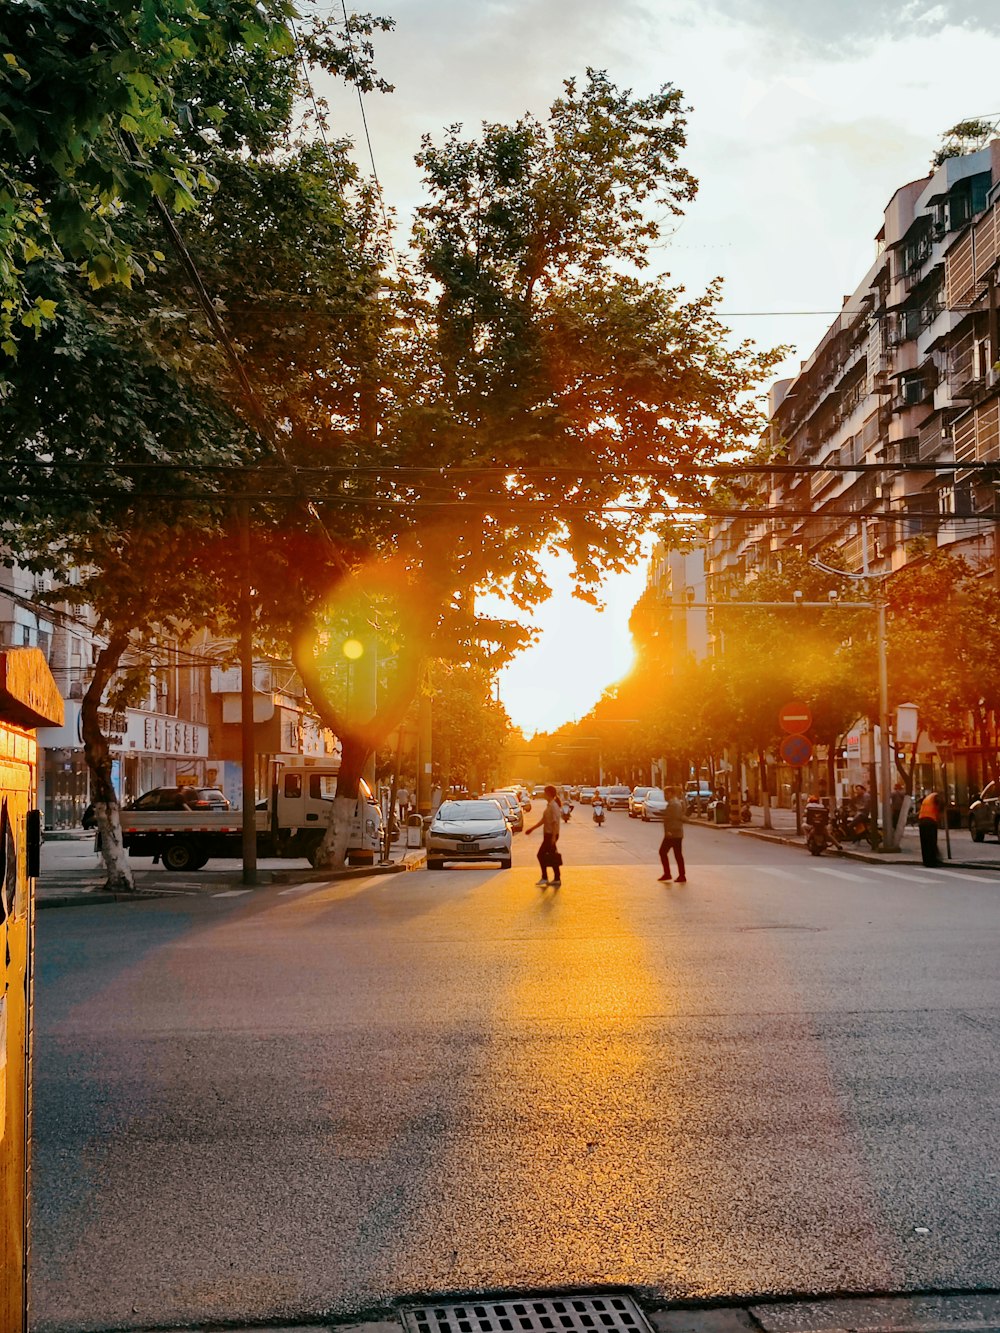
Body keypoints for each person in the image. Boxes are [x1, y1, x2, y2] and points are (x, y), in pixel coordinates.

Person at [525, 784, 563, 887]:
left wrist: (554, 838)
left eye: (545, 793)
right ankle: (556, 878)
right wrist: (532, 829)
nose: (543, 795)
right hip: (548, 835)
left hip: (551, 835)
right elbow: (543, 820)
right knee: (552, 856)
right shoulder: (549, 805)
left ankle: (546, 877)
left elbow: (555, 823)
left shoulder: (554, 806)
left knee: (541, 855)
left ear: (549, 794)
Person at [658, 785, 686, 883]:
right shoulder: (674, 803)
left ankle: (670, 874)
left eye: (666, 794)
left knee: (663, 852)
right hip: (675, 833)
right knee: (677, 854)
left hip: (673, 833)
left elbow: (674, 819)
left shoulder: (674, 804)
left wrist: (669, 831)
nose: (665, 796)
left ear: (670, 793)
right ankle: (679, 875)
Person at [918, 789, 944, 867]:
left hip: (922, 821)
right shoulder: (936, 797)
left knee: (925, 843)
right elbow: (939, 804)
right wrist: (940, 812)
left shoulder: (929, 797)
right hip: (930, 822)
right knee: (931, 842)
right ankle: (932, 861)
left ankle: (926, 861)